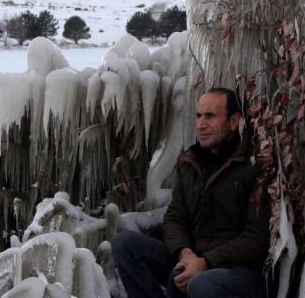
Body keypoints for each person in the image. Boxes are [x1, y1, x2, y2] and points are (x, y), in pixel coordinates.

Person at [112, 87, 270, 298]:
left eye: (210, 116)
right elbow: (175, 218)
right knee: (125, 244)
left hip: (240, 272)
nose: (200, 124)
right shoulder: (190, 163)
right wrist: (184, 253)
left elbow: (257, 238)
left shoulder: (254, 164)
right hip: (194, 258)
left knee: (200, 283)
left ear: (234, 122)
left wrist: (206, 263)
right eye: (198, 116)